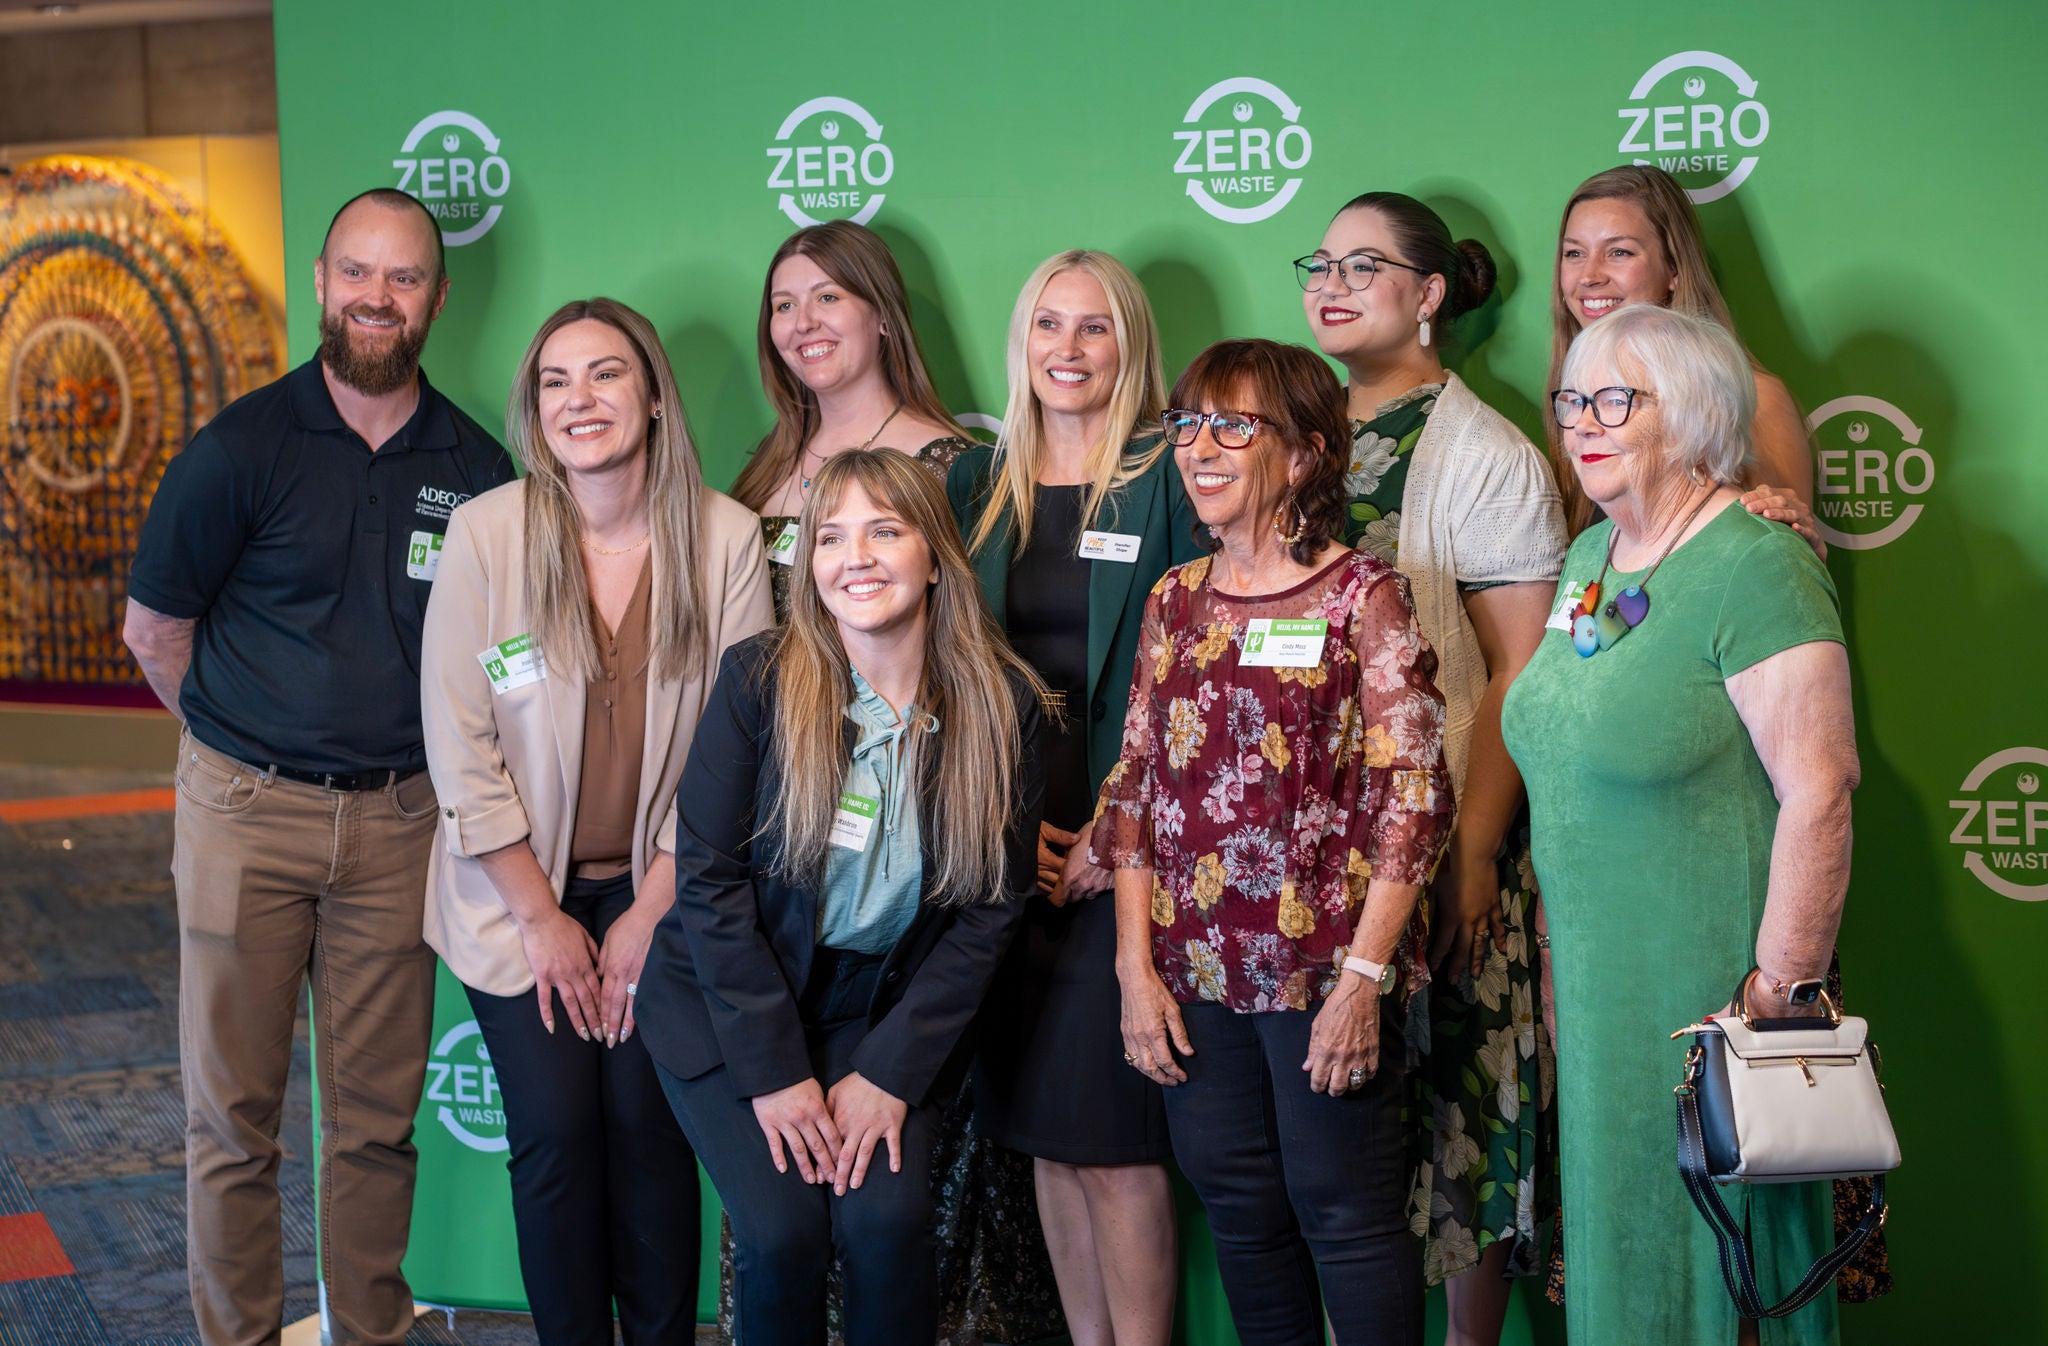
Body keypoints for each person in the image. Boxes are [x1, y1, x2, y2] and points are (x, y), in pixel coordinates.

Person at [122, 188, 513, 1346]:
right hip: (246, 813)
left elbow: (494, 658)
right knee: (232, 1120)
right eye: (357, 273)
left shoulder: (480, 463)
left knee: (375, 1123)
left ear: (436, 298)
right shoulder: (240, 446)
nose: (377, 299)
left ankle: (368, 1333)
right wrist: (242, 750)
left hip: (402, 826)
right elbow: (155, 632)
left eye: (401, 279)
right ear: (323, 283)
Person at [417, 298, 772, 1344]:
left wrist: (647, 912)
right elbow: (457, 738)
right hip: (510, 890)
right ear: (534, 408)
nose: (581, 400)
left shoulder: (723, 537)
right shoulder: (487, 533)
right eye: (556, 381)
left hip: (669, 889)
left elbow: (735, 746)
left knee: (650, 1132)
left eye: (605, 374)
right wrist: (541, 917)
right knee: (559, 1135)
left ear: (653, 395)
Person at [634, 448, 1045, 1346]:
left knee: (886, 1225)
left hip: (885, 1011)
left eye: (884, 531)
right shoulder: (757, 681)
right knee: (783, 1235)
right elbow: (710, 885)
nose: (854, 557)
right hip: (730, 1006)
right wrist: (777, 1074)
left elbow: (991, 913)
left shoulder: (1001, 707)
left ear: (935, 555)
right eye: (831, 537)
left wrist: (892, 1074)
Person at [1502, 304, 1855, 1345]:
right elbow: (1571, 724)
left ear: (1695, 412)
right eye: (1573, 398)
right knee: (1624, 1257)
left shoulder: (1757, 564)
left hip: (1714, 1011)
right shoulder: (1590, 560)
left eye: (1616, 398)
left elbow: (1821, 788)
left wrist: (1774, 998)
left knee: (1721, 1267)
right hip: (1601, 1004)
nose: (1581, 420)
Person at [1096, 338, 1456, 1345]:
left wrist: (1363, 978)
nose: (1199, 448)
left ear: (1300, 454)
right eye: (1186, 425)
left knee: (1345, 1220)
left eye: (1231, 426)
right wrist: (1133, 970)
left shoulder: (1360, 596)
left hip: (1322, 980)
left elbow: (1414, 796)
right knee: (1245, 1225)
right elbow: (1131, 788)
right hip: (1190, 982)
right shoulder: (1173, 598)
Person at [1296, 193, 1568, 1345]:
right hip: (1298, 850)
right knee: (1333, 1134)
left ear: (1429, 293)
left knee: (1457, 1109)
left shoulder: (1482, 450)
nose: (1334, 282)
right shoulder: (1283, 428)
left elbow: (1515, 672)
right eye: (1320, 262)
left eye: (1368, 265)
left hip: (1437, 841)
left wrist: (1470, 853)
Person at [949, 250, 1202, 1346]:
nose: (1066, 349)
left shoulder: (1168, 476)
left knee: (1115, 1141)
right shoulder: (973, 481)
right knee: (1045, 1136)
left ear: (1128, 343)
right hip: (1009, 851)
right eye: (1047, 325)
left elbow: (1195, 666)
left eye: (1092, 327)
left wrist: (1114, 822)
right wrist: (1012, 831)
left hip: (1127, 852)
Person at [1548, 164, 1816, 539]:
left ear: (1674, 268)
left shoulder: (1758, 400)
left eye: (1619, 252)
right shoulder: (1572, 409)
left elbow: (1782, 566)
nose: (1590, 275)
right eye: (1574, 254)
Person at [733, 220, 979, 618]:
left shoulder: (952, 467)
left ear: (883, 316)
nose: (804, 322)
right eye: (785, 305)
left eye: (827, 297)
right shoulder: (766, 467)